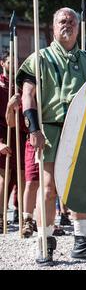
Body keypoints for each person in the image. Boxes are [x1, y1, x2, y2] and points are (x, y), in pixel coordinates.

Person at [16, 7, 86, 265]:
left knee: (80, 186)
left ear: (78, 28)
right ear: (54, 26)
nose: (67, 24)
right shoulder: (40, 58)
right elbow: (28, 94)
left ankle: (82, 241)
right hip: (50, 128)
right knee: (48, 189)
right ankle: (44, 241)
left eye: (71, 21)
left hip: (82, 131)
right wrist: (33, 128)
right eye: (62, 21)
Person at [0, 51, 26, 233]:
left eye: (16, 62)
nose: (14, 65)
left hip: (21, 135)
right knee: (4, 177)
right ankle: (1, 216)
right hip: (3, 134)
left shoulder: (20, 86)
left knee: (23, 176)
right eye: (10, 62)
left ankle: (21, 212)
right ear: (3, 63)